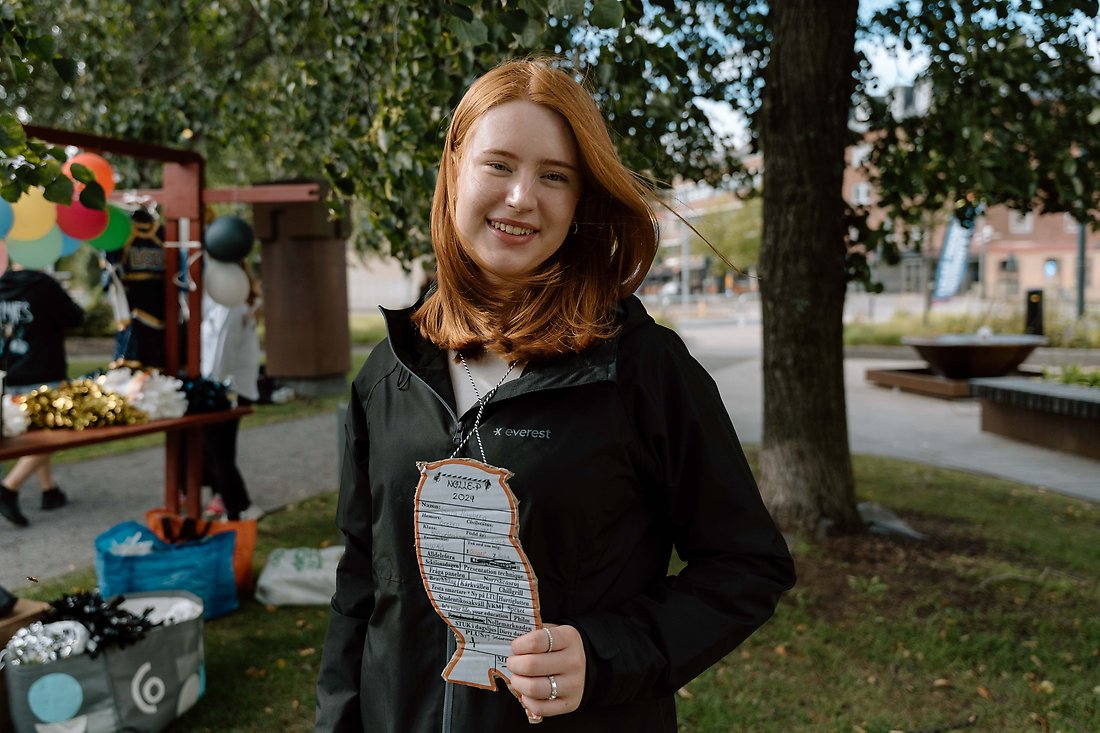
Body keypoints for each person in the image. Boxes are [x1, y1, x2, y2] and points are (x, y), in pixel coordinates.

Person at [314, 58, 795, 732]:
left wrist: (605, 654)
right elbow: (362, 584)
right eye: (499, 164)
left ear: (580, 202)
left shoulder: (642, 370)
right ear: (455, 168)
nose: (521, 198)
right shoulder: (389, 373)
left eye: (554, 176)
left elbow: (749, 564)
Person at [0, 263, 84, 527]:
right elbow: (75, 318)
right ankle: (8, 488)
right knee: (58, 434)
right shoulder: (44, 285)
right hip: (43, 373)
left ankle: (50, 491)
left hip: (9, 374)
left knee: (39, 438)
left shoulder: (2, 284)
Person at [200, 260, 264, 522]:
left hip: (226, 391)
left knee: (220, 452)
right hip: (229, 388)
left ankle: (238, 507)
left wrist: (206, 389)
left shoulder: (230, 307)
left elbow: (220, 358)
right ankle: (230, 503)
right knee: (218, 451)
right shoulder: (230, 304)